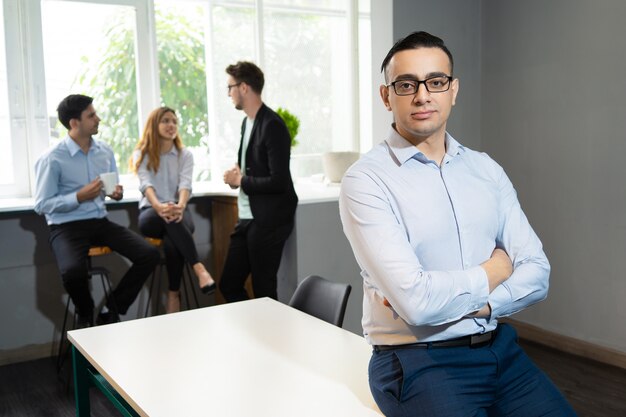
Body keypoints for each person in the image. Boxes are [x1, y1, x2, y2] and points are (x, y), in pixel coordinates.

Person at [339, 32, 576, 417]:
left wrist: (479, 306)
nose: (422, 95)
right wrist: (495, 269)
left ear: (453, 90)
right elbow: (416, 304)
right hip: (418, 363)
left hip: (500, 350)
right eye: (406, 84)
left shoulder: (486, 169)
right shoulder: (365, 181)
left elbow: (538, 273)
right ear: (387, 97)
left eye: (436, 82)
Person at [34, 94, 160, 328]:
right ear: (74, 123)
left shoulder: (104, 151)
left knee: (149, 254)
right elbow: (42, 204)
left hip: (99, 221)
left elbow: (110, 188)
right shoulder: (52, 158)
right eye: (91, 115)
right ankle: (86, 312)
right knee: (72, 273)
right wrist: (78, 197)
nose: (98, 119)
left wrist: (115, 193)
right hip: (66, 226)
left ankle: (110, 310)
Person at [221, 61, 298, 302]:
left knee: (264, 290)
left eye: (230, 87)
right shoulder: (247, 122)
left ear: (244, 87)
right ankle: (252, 331)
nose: (229, 93)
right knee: (229, 284)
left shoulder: (273, 124)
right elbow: (252, 167)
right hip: (248, 217)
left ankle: (270, 337)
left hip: (269, 219)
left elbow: (279, 181)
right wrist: (237, 178)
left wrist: (241, 180)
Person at [131, 106, 216, 313]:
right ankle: (199, 268)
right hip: (151, 213)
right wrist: (159, 206)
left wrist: (180, 206)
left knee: (173, 238)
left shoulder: (184, 154)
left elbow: (185, 185)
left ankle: (173, 294)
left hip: (178, 210)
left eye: (174, 122)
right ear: (155, 124)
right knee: (170, 222)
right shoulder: (141, 153)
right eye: (166, 121)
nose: (171, 126)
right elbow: (146, 184)